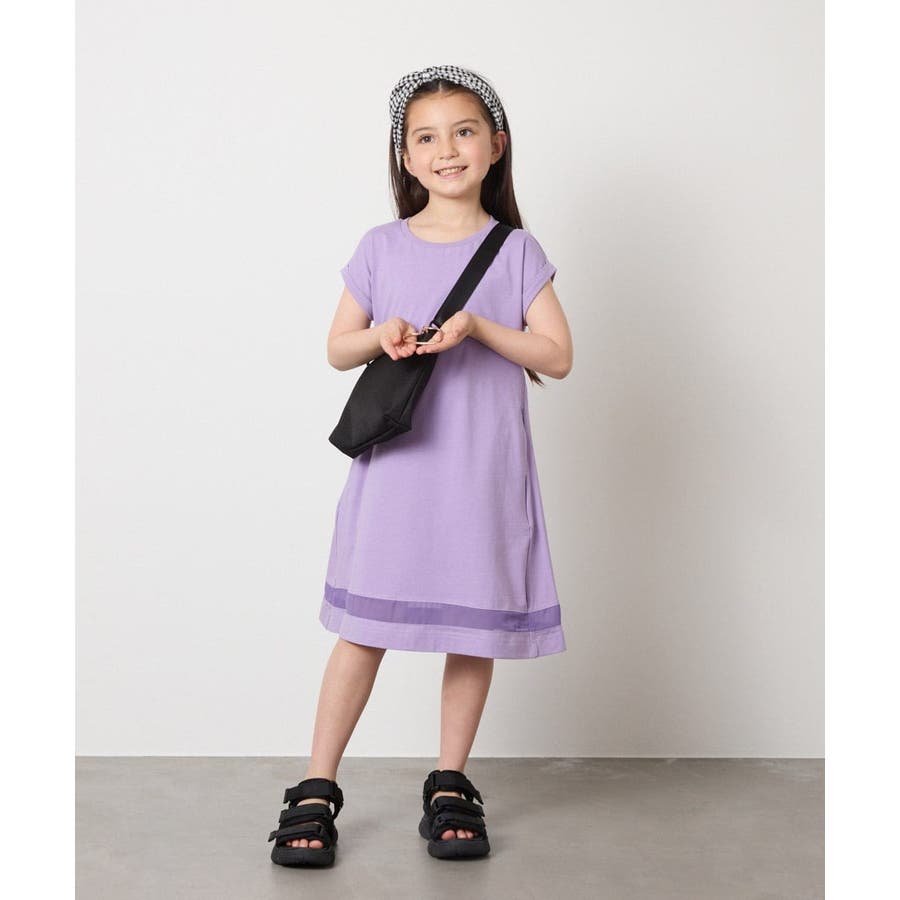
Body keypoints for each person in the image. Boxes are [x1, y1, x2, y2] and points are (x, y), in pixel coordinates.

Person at [267, 64, 573, 867]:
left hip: (480, 473)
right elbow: (338, 348)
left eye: (464, 132)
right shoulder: (381, 246)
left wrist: (482, 329)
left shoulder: (515, 250)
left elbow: (557, 354)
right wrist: (382, 334)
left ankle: (450, 781)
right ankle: (316, 785)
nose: (447, 150)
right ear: (406, 158)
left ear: (496, 146)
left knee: (470, 627)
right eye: (427, 138)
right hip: (398, 472)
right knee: (363, 631)